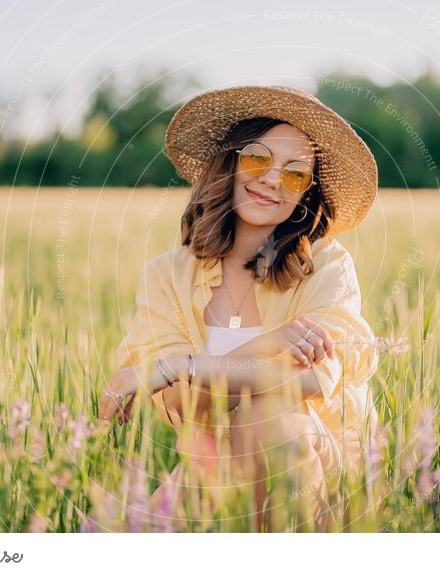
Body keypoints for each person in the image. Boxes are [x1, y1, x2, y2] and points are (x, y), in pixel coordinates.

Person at [98, 85, 381, 532]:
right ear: (229, 163)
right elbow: (184, 407)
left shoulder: (327, 264)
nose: (272, 179)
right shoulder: (167, 277)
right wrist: (267, 344)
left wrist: (181, 364)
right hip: (213, 470)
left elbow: (312, 378)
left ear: (306, 194)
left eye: (295, 174)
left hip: (309, 473)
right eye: (257, 158)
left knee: (265, 417)